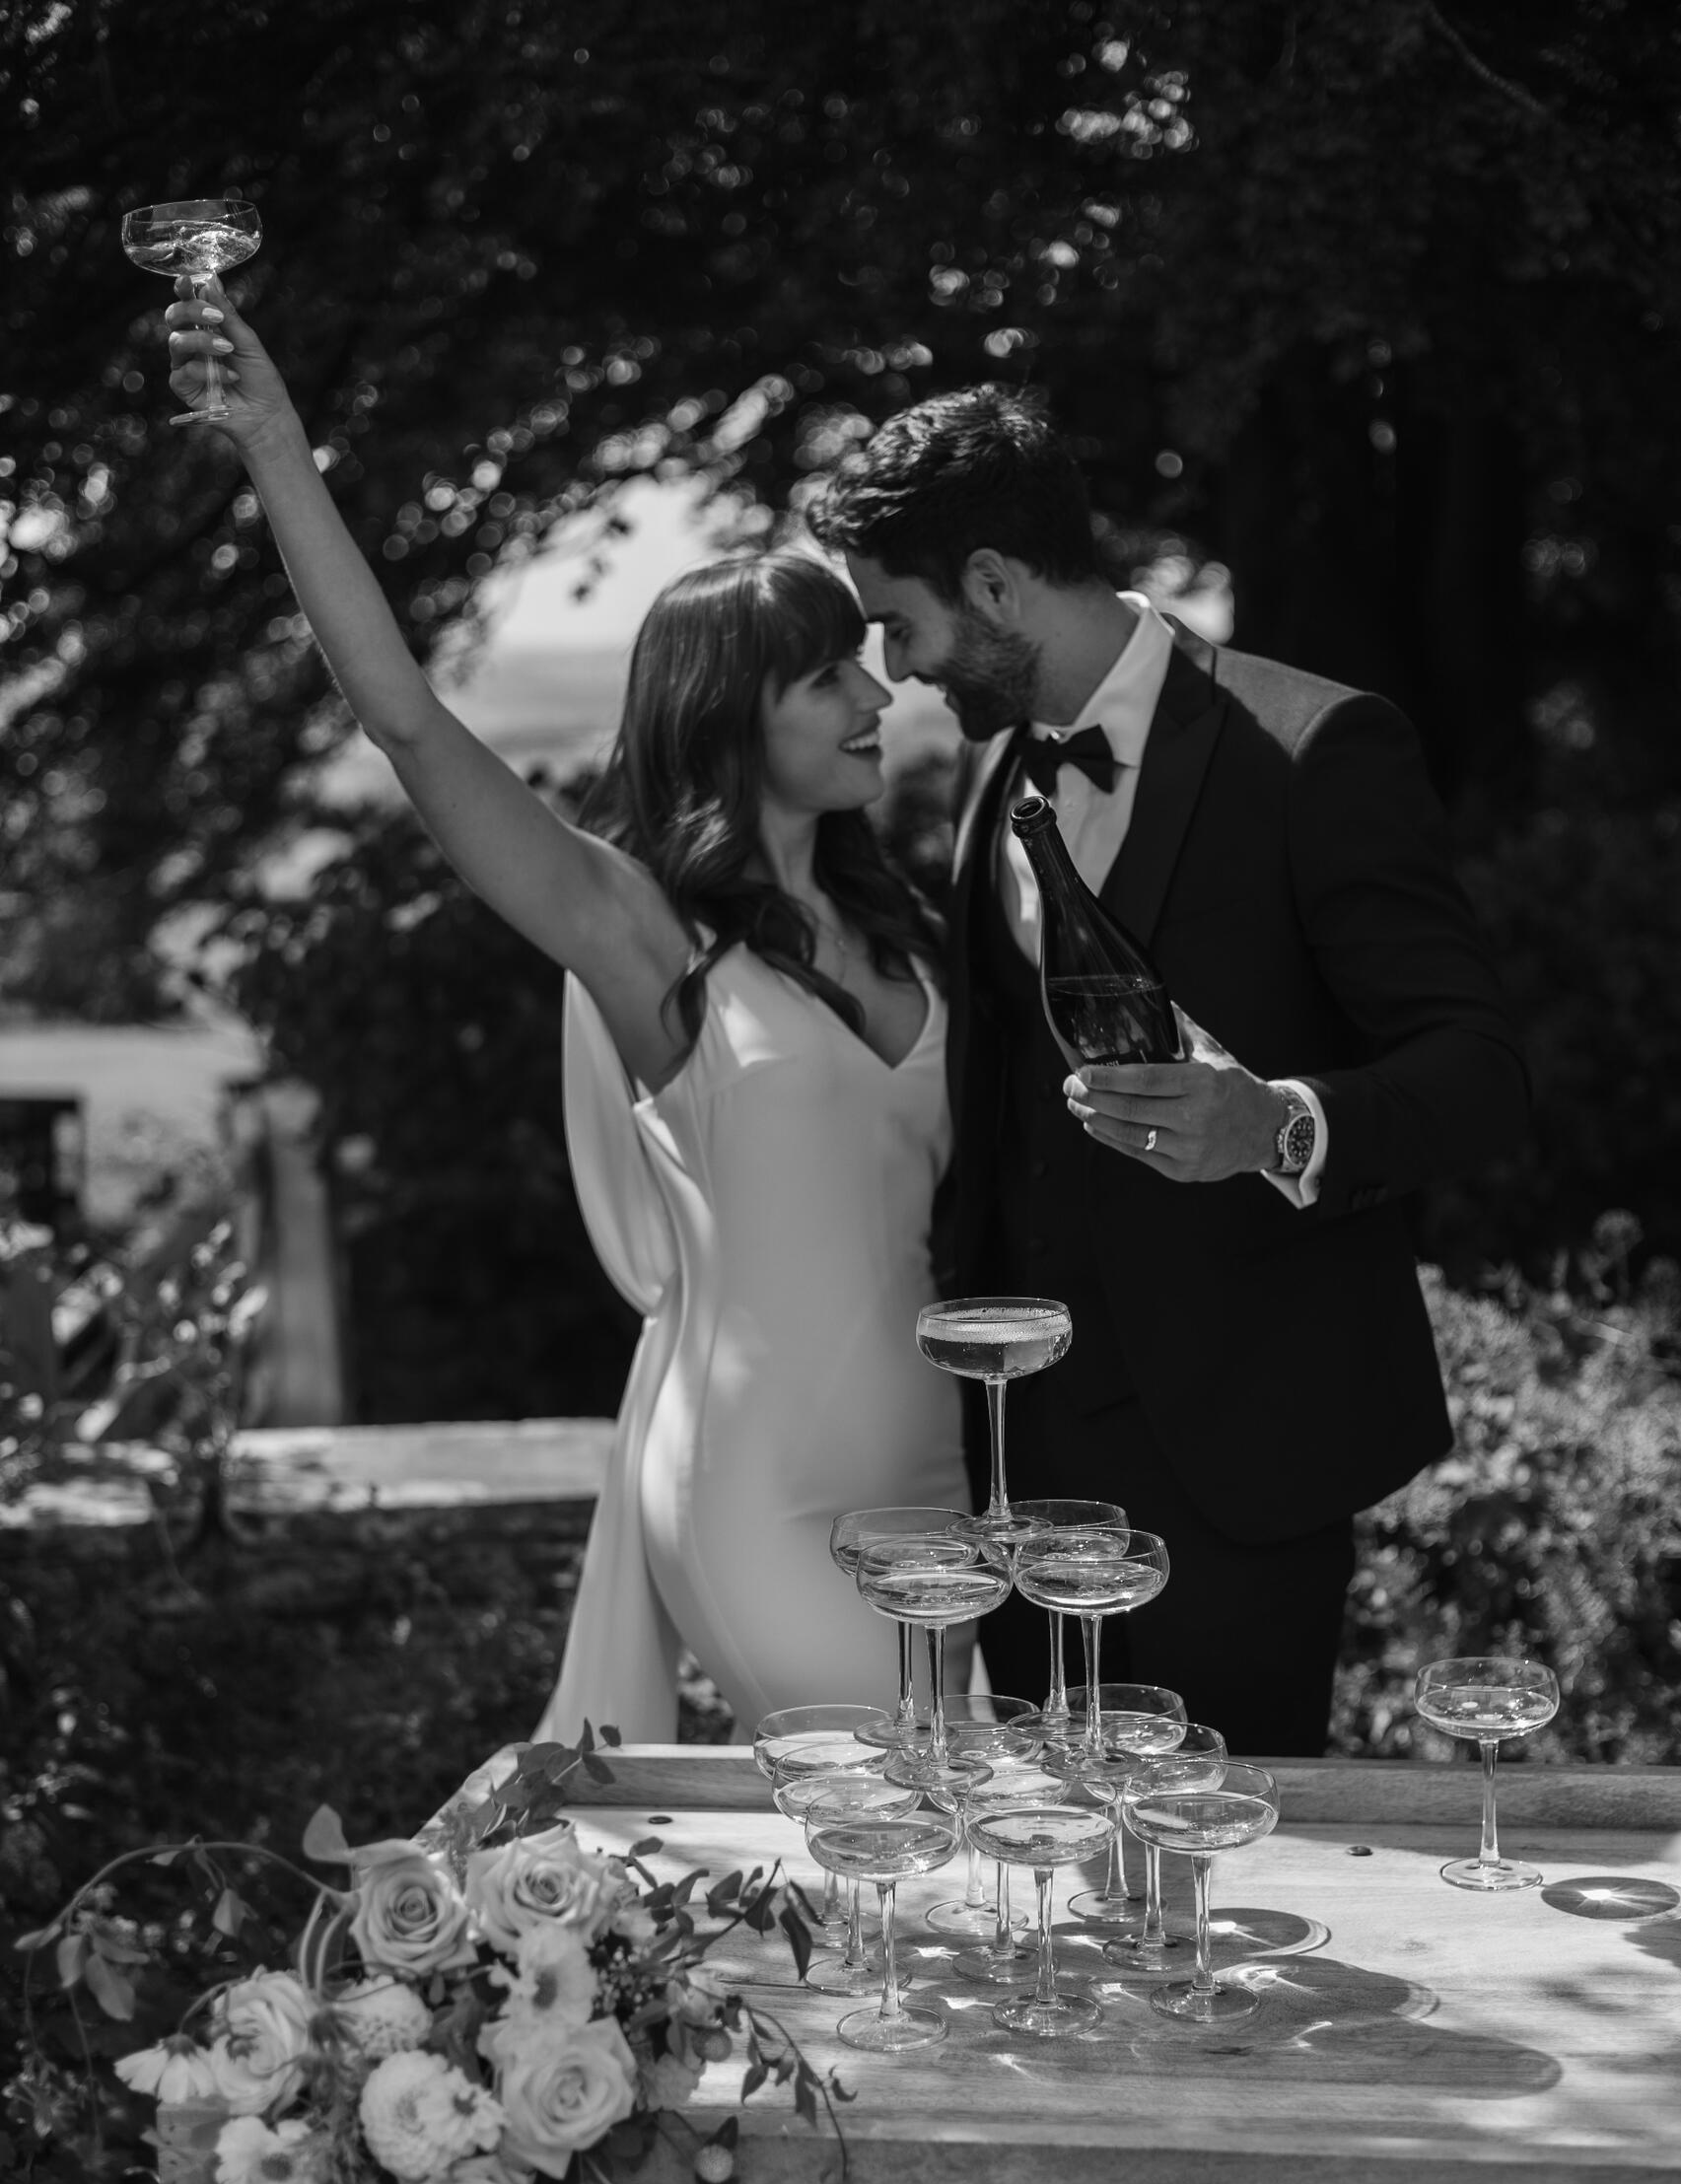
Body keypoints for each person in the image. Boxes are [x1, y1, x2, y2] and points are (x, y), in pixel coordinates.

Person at [162, 285, 967, 1745]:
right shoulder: (641, 931)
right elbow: (405, 719)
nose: (875, 695)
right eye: (826, 677)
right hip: (757, 1493)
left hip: (939, 1481)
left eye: (866, 662)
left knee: (931, 1879)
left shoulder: (909, 925)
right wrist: (276, 443)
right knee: (888, 1827)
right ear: (731, 720)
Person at [816, 385, 1531, 1755]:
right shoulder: (996, 775)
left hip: (1242, 1457)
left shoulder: (1314, 749)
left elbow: (1480, 1072)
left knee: (1230, 1893)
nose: (897, 669)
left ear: (993, 581)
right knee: (1058, 1890)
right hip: (1030, 1465)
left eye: (899, 623)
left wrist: (1276, 1123)